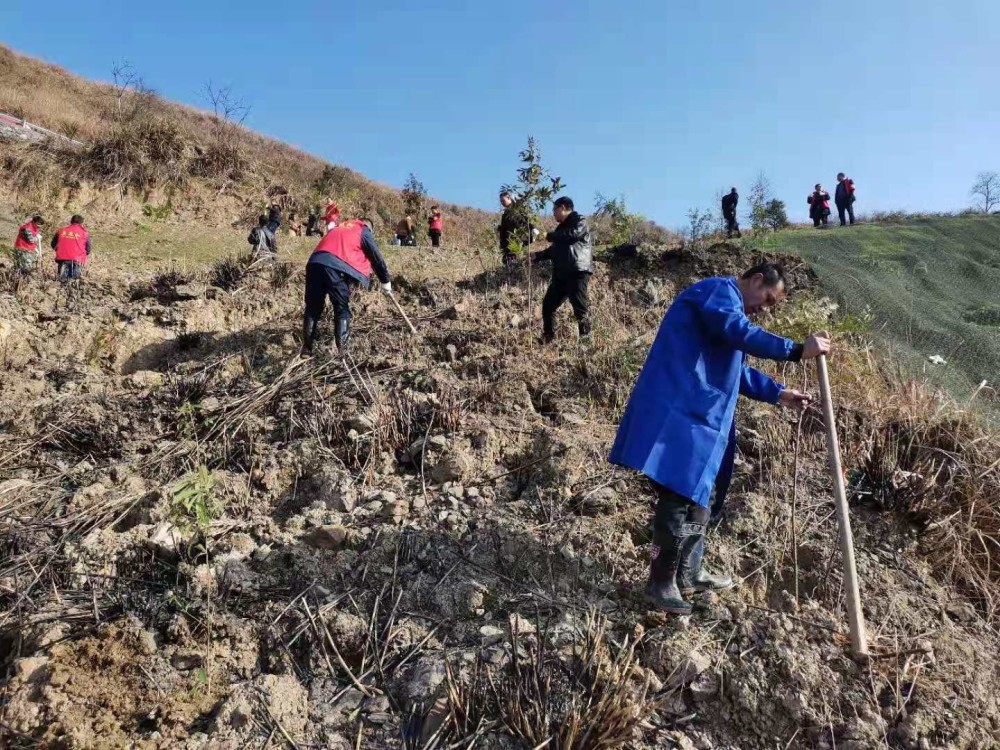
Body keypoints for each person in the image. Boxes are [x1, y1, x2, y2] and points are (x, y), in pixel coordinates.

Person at [608, 263, 831, 614]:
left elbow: (736, 368)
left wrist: (778, 393)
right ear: (756, 279)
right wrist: (793, 349)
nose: (765, 308)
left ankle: (689, 574)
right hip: (682, 410)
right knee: (678, 493)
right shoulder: (718, 293)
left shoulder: (726, 312)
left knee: (700, 494)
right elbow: (739, 331)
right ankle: (660, 582)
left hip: (703, 417)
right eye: (768, 299)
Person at [302, 217, 391, 354]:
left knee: (313, 308)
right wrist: (385, 281)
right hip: (336, 267)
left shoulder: (340, 227)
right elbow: (375, 256)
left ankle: (306, 351)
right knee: (341, 308)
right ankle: (343, 353)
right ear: (369, 227)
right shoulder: (363, 229)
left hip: (314, 263)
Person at [530, 196, 592, 343]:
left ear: (563, 208)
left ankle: (586, 343)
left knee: (580, 308)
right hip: (561, 275)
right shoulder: (560, 230)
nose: (553, 213)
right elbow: (555, 250)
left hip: (577, 270)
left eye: (554, 209)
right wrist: (537, 256)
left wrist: (549, 235)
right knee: (548, 306)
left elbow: (573, 235)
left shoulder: (579, 220)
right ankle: (548, 338)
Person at [51, 215, 91, 283]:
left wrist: (58, 250)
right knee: (74, 281)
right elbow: (88, 248)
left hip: (62, 259)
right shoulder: (84, 233)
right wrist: (85, 253)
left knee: (62, 281)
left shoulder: (61, 231)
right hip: (77, 259)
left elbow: (53, 244)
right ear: (81, 223)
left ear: (71, 221)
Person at [498, 190, 531, 266]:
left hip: (516, 240)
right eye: (501, 201)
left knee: (512, 259)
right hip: (508, 242)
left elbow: (524, 222)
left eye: (503, 200)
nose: (502, 203)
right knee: (507, 260)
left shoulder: (517, 209)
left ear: (509, 198)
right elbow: (505, 229)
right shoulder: (506, 213)